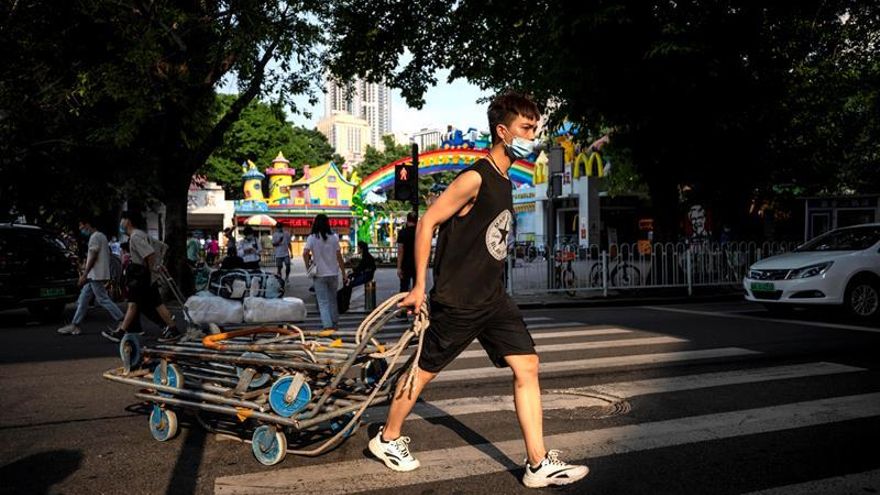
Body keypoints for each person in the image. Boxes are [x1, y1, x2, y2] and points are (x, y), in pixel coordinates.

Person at [367, 92, 588, 488]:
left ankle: (537, 464)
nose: (532, 136)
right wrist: (420, 286)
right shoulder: (475, 177)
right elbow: (427, 222)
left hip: (494, 298)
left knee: (528, 365)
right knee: (422, 372)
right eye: (525, 128)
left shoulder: (504, 180)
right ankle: (388, 438)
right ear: (502, 132)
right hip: (460, 299)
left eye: (535, 128)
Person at [102, 211, 181, 343]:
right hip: (145, 275)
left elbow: (149, 254)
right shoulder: (141, 235)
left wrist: (148, 272)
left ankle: (121, 332)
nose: (121, 223)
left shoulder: (135, 237)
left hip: (142, 276)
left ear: (128, 221)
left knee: (135, 304)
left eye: (123, 219)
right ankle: (172, 330)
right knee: (153, 303)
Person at [57, 215, 125, 335]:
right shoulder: (102, 236)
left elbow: (92, 257)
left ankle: (123, 320)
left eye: (81, 225)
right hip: (96, 274)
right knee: (83, 298)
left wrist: (84, 274)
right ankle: (75, 324)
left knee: (103, 299)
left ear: (87, 224)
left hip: (95, 274)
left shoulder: (94, 237)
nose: (80, 228)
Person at [302, 214, 347, 330]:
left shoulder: (312, 238)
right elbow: (339, 256)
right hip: (333, 273)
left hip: (319, 274)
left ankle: (327, 325)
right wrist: (344, 273)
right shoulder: (334, 237)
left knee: (323, 302)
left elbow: (305, 253)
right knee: (333, 299)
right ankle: (335, 323)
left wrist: (308, 267)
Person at [396, 212, 417, 292]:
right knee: (416, 286)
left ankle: (403, 302)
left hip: (406, 263)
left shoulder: (402, 232)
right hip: (417, 263)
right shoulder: (419, 232)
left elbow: (400, 250)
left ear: (407, 220)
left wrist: (399, 267)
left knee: (404, 287)